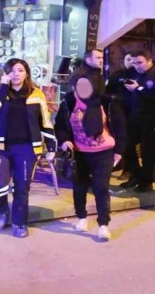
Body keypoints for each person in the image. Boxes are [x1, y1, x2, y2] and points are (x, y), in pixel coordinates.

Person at [0, 58, 57, 238]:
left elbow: (45, 122)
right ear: (6, 73)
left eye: (20, 70)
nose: (16, 74)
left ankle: (19, 222)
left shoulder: (37, 94)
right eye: (11, 70)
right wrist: (3, 87)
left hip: (27, 148)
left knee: (22, 186)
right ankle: (0, 211)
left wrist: (51, 146)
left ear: (27, 73)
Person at [54, 72, 126, 240]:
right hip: (79, 153)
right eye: (80, 85)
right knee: (79, 187)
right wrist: (64, 140)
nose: (83, 89)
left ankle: (103, 224)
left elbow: (121, 127)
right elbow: (60, 126)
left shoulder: (107, 103)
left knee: (101, 188)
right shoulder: (68, 103)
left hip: (104, 152)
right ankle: (81, 217)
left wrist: (119, 152)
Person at [120, 49, 155, 192]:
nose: (137, 66)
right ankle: (135, 175)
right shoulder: (134, 73)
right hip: (135, 116)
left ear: (149, 61)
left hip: (152, 119)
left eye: (140, 62)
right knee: (126, 145)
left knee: (147, 151)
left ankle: (146, 181)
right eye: (134, 63)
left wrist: (139, 89)